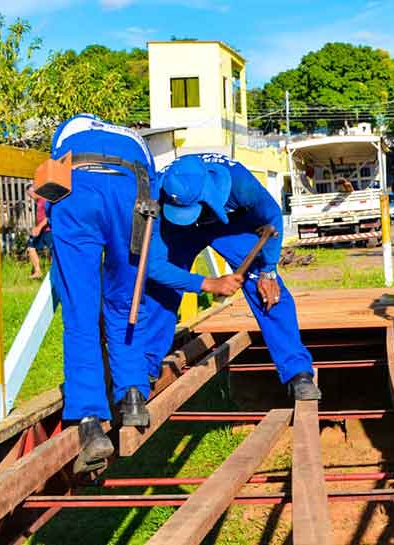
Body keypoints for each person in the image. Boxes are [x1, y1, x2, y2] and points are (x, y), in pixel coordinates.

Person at [47, 115, 244, 472]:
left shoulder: (68, 131)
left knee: (81, 312)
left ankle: (90, 422)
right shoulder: (134, 139)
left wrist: (51, 214)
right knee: (126, 304)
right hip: (130, 193)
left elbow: (52, 178)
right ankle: (134, 396)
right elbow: (150, 190)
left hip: (78, 189)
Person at [144, 152, 321, 400]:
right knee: (162, 288)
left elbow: (272, 217)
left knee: (266, 288)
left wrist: (268, 270)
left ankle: (297, 372)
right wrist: (206, 283)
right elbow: (153, 266)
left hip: (231, 224)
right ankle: (145, 369)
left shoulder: (241, 184)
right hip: (179, 230)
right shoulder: (159, 191)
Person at [25, 185, 53, 279]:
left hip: (48, 230)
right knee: (30, 247)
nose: (30, 197)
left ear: (35, 191)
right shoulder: (38, 202)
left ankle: (55, 274)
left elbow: (49, 216)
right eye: (29, 195)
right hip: (41, 230)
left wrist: (39, 227)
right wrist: (36, 228)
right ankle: (38, 271)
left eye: (30, 194)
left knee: (53, 251)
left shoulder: (45, 200)